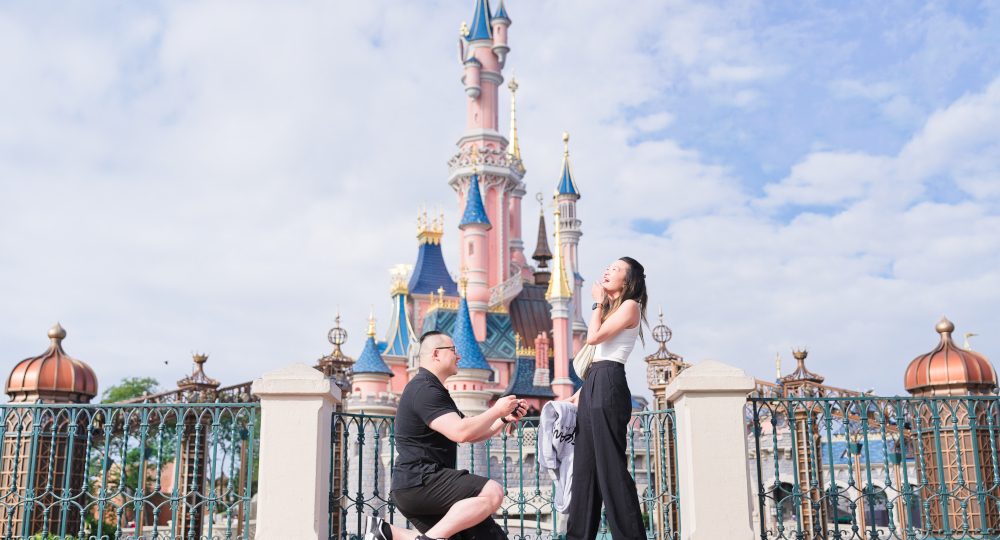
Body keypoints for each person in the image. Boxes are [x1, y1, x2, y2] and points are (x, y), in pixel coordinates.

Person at [364, 330, 528, 540]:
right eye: (453, 350)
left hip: (419, 486)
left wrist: (503, 419)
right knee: (492, 492)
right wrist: (497, 409)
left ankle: (385, 532)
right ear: (436, 354)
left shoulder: (433, 390)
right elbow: (460, 431)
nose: (458, 356)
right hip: (421, 482)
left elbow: (470, 432)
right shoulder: (424, 390)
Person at [564, 256, 648, 540]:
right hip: (595, 381)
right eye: (608, 267)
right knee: (585, 468)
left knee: (611, 466)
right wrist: (580, 393)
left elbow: (594, 339)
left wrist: (597, 303)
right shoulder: (613, 308)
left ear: (628, 279)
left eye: (615, 269)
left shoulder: (631, 306)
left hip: (610, 381)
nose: (607, 271)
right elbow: (596, 357)